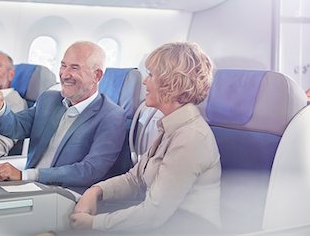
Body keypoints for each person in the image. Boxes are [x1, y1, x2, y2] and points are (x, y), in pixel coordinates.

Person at [69, 42, 221, 235]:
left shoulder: (191, 138)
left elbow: (153, 215)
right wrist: (96, 191)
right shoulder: (170, 127)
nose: (144, 82)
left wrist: (93, 223)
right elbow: (136, 180)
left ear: (172, 82)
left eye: (151, 75)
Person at [0, 41, 127, 188]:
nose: (64, 74)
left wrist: (25, 175)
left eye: (75, 68)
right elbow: (15, 127)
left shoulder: (111, 116)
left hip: (64, 195)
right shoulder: (49, 99)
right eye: (63, 66)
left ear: (97, 75)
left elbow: (89, 171)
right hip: (27, 187)